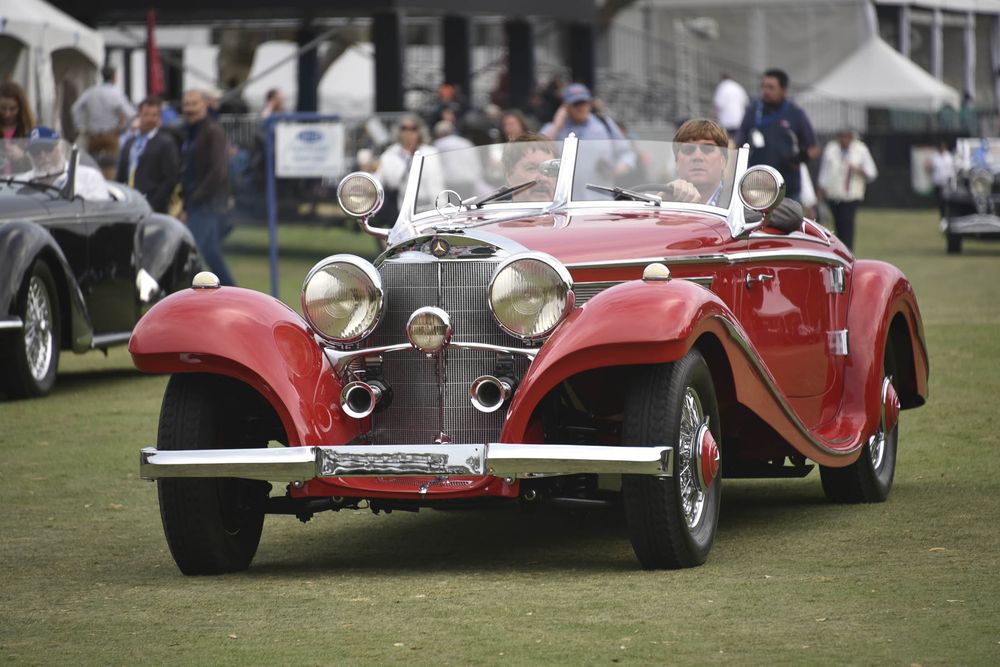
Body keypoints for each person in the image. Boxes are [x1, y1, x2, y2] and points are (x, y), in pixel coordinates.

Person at [180, 89, 235, 286]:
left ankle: (188, 295)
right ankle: (234, 293)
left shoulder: (213, 131)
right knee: (212, 255)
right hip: (195, 203)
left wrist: (195, 198)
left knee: (190, 254)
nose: (189, 109)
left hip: (207, 205)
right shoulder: (190, 131)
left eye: (194, 104)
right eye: (186, 104)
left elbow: (218, 172)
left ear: (205, 105)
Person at [736, 68, 818, 201]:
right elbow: (738, 143)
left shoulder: (795, 114)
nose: (765, 91)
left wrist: (798, 159)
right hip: (756, 188)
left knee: (787, 222)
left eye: (771, 87)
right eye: (763, 87)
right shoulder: (753, 111)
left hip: (787, 188)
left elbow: (813, 149)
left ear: (783, 90)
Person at [115, 97, 180, 214]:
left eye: (154, 115)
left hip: (153, 206)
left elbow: (170, 178)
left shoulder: (166, 143)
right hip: (129, 203)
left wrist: (155, 203)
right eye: (146, 114)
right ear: (139, 115)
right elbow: (121, 173)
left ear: (159, 118)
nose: (150, 119)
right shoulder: (130, 142)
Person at [817, 129, 878, 251]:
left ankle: (848, 250)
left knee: (847, 223)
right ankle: (839, 249)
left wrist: (859, 170)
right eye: (841, 136)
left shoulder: (860, 149)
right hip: (833, 194)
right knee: (838, 223)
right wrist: (820, 190)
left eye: (847, 137)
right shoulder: (831, 149)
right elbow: (824, 172)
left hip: (851, 195)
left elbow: (872, 173)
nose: (844, 140)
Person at [71, 65, 136, 179]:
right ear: (114, 77)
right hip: (111, 135)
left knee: (92, 167)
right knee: (111, 168)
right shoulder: (116, 93)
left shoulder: (91, 92)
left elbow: (75, 108)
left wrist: (81, 126)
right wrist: (124, 128)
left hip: (93, 136)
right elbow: (131, 114)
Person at [19, 126, 112, 201]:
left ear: (61, 148)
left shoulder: (89, 177)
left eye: (48, 148)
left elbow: (99, 212)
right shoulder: (20, 182)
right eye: (36, 151)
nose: (42, 155)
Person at [374, 114, 434, 222]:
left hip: (426, 208)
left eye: (413, 129)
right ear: (399, 131)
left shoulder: (430, 153)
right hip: (399, 209)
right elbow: (379, 180)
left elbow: (437, 184)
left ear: (420, 131)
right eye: (404, 128)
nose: (408, 132)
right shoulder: (390, 155)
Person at [664, 118, 731, 206]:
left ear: (723, 162)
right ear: (677, 162)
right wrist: (661, 204)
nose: (697, 157)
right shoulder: (662, 200)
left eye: (707, 149)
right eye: (688, 149)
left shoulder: (743, 204)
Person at [431, 120, 486, 198]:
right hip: (469, 181)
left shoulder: (438, 144)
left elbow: (435, 167)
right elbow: (476, 164)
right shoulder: (466, 142)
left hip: (450, 183)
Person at [501, 132, 559, 203]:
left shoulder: (573, 212)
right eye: (532, 168)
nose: (543, 178)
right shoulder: (492, 213)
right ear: (509, 176)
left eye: (549, 169)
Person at [1, 81, 35, 176]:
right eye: (3, 108)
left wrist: (23, 157)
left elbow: (39, 160)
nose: (7, 114)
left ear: (21, 108)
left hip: (21, 183)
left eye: (13, 109)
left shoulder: (30, 131)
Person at [712, 73, 749, 139]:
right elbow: (746, 104)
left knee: (727, 142)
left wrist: (714, 119)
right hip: (739, 121)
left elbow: (718, 105)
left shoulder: (722, 87)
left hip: (726, 121)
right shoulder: (738, 87)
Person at [927, 141, 955, 218]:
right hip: (938, 183)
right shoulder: (935, 156)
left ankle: (949, 216)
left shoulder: (949, 156)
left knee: (948, 201)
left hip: (947, 183)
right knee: (940, 201)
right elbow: (929, 168)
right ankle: (942, 217)